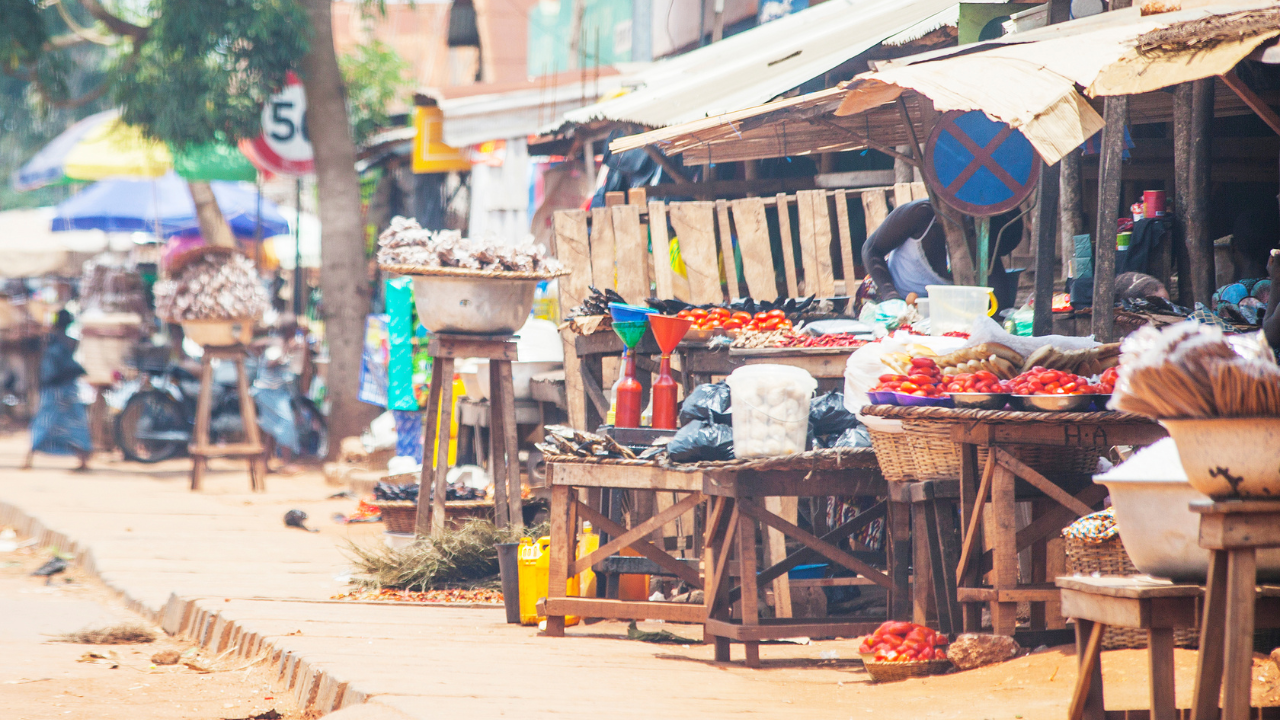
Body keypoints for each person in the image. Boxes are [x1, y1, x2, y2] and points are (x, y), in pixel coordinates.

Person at [861, 199, 1024, 309]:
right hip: (882, 299)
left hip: (928, 318)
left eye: (989, 252)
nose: (984, 255)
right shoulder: (923, 215)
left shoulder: (987, 259)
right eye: (983, 246)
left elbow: (999, 309)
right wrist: (891, 296)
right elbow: (871, 249)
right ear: (973, 228)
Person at [23, 309, 91, 471]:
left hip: (54, 389)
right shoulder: (70, 341)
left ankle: (28, 458)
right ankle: (83, 460)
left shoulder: (48, 339)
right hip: (66, 388)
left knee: (44, 422)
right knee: (74, 423)